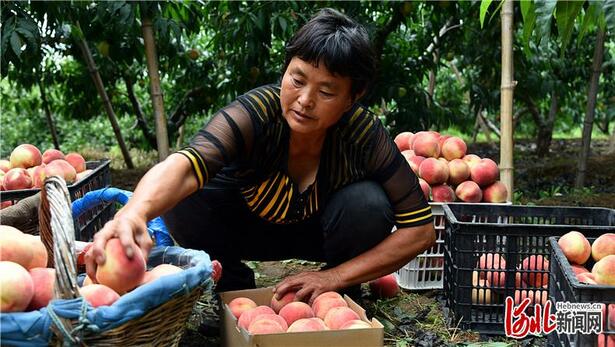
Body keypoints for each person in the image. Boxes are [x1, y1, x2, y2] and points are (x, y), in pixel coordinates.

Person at [86, 8, 435, 304]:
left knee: (368, 203)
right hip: (243, 228)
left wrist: (336, 276)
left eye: (326, 91)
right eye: (297, 79)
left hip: (322, 239)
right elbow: (187, 164)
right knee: (186, 195)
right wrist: (134, 213)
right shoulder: (258, 112)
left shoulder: (362, 135)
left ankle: (339, 294)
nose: (304, 100)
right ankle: (232, 284)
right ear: (285, 70)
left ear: (352, 98)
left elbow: (419, 230)